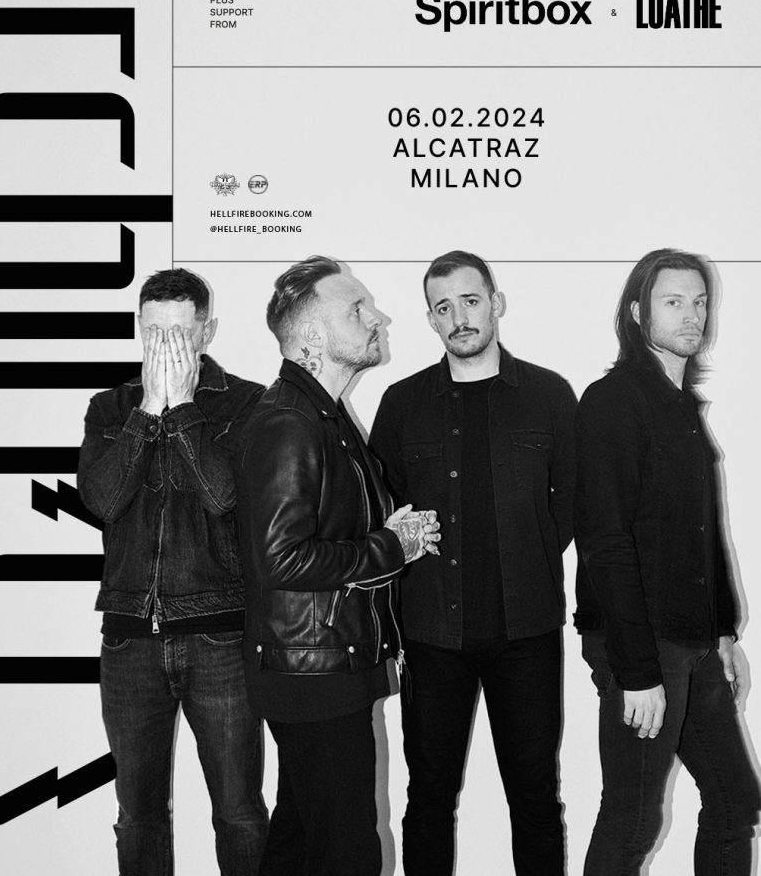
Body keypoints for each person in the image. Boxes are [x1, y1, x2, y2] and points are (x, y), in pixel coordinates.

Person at [369, 249, 576, 876]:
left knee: (536, 799)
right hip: (432, 634)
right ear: (430, 320)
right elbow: (382, 511)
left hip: (527, 632)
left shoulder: (548, 394)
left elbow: (569, 505)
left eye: (470, 300)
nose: (459, 317)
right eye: (443, 307)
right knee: (429, 798)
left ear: (496, 303)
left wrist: (527, 555)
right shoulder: (402, 404)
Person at [237, 255, 440, 876]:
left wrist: (390, 532)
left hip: (320, 665)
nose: (378, 317)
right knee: (347, 853)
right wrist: (393, 546)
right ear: (313, 336)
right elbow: (281, 558)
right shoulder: (289, 423)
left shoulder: (321, 415)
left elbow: (327, 534)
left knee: (299, 841)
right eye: (357, 308)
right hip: (314, 674)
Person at [574, 248, 760, 875]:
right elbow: (604, 540)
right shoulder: (613, 401)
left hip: (694, 641)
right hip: (643, 646)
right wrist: (636, 671)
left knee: (736, 802)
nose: (692, 315)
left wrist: (723, 632)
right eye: (673, 302)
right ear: (637, 313)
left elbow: (700, 532)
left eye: (699, 302)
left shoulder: (680, 405)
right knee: (632, 820)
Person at [77, 267, 268, 876]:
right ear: (139, 328)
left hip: (219, 635)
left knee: (239, 812)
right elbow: (103, 501)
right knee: (137, 815)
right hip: (128, 636)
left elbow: (224, 496)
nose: (165, 347)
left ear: (207, 332)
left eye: (180, 334)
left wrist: (181, 408)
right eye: (154, 332)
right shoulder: (110, 407)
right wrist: (147, 411)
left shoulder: (246, 402)